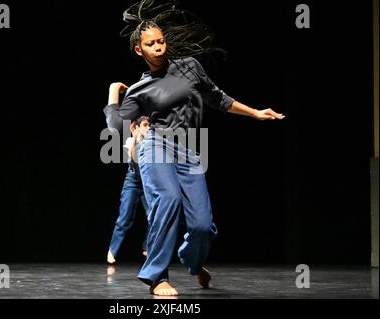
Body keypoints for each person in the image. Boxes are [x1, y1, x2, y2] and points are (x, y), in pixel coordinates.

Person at [104, 0, 284, 296]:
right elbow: (115, 127)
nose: (159, 47)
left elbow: (218, 98)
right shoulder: (139, 90)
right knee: (168, 199)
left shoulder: (189, 67)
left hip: (188, 149)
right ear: (140, 50)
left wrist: (254, 112)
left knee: (201, 224)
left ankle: (193, 259)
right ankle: (156, 277)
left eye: (161, 40)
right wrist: (113, 93)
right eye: (151, 44)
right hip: (155, 146)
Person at [107, 116, 151, 264]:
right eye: (145, 125)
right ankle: (112, 250)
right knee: (125, 217)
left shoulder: (153, 144)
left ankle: (147, 246)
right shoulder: (130, 142)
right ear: (136, 127)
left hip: (147, 182)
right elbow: (133, 156)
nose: (148, 128)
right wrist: (137, 138)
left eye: (149, 125)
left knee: (154, 216)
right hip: (132, 180)